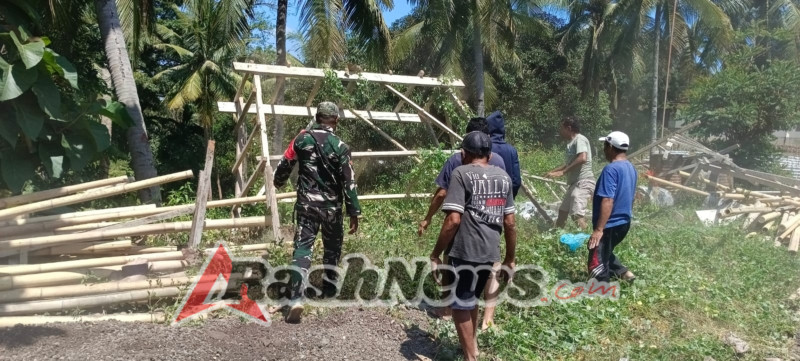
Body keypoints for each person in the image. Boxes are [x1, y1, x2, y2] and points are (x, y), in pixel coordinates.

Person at [429, 131, 517, 361]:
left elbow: (453, 220)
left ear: (464, 153)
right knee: (471, 300)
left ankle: (471, 357)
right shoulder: (503, 176)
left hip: (465, 250)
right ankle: (473, 347)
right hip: (490, 251)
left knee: (459, 305)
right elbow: (510, 222)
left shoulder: (461, 173)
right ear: (489, 154)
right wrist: (510, 258)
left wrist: (436, 254)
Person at [273, 101, 361, 323]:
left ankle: (296, 298)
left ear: (317, 117)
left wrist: (278, 182)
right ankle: (329, 290)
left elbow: (286, 162)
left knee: (302, 250)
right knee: (332, 248)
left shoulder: (302, 139)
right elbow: (349, 181)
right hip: (331, 208)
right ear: (336, 120)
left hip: (307, 207)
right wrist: (354, 212)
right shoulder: (341, 146)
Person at [417, 117, 506, 329]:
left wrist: (428, 217)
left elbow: (442, 194)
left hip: (464, 226)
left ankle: (449, 309)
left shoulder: (458, 161)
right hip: (493, 222)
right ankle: (488, 318)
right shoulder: (499, 161)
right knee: (493, 265)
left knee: (452, 262)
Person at [588, 131, 637, 283]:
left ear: (610, 146)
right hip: (624, 222)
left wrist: (599, 230)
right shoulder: (631, 168)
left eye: (605, 145)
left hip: (611, 223)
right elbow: (632, 196)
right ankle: (624, 273)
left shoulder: (611, 169)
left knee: (596, 257)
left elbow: (608, 200)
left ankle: (600, 292)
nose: (603, 149)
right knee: (605, 250)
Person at [546, 116, 595, 229]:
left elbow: (582, 158)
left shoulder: (580, 139)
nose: (560, 131)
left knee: (576, 215)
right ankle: (556, 236)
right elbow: (569, 163)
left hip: (583, 182)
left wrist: (563, 172)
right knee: (562, 212)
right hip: (575, 184)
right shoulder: (571, 143)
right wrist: (552, 172)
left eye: (561, 128)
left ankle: (587, 241)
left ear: (568, 128)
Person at [487, 111, 521, 198]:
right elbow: (516, 180)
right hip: (506, 199)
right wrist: (510, 198)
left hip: (486, 200)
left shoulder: (485, 148)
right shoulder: (512, 150)